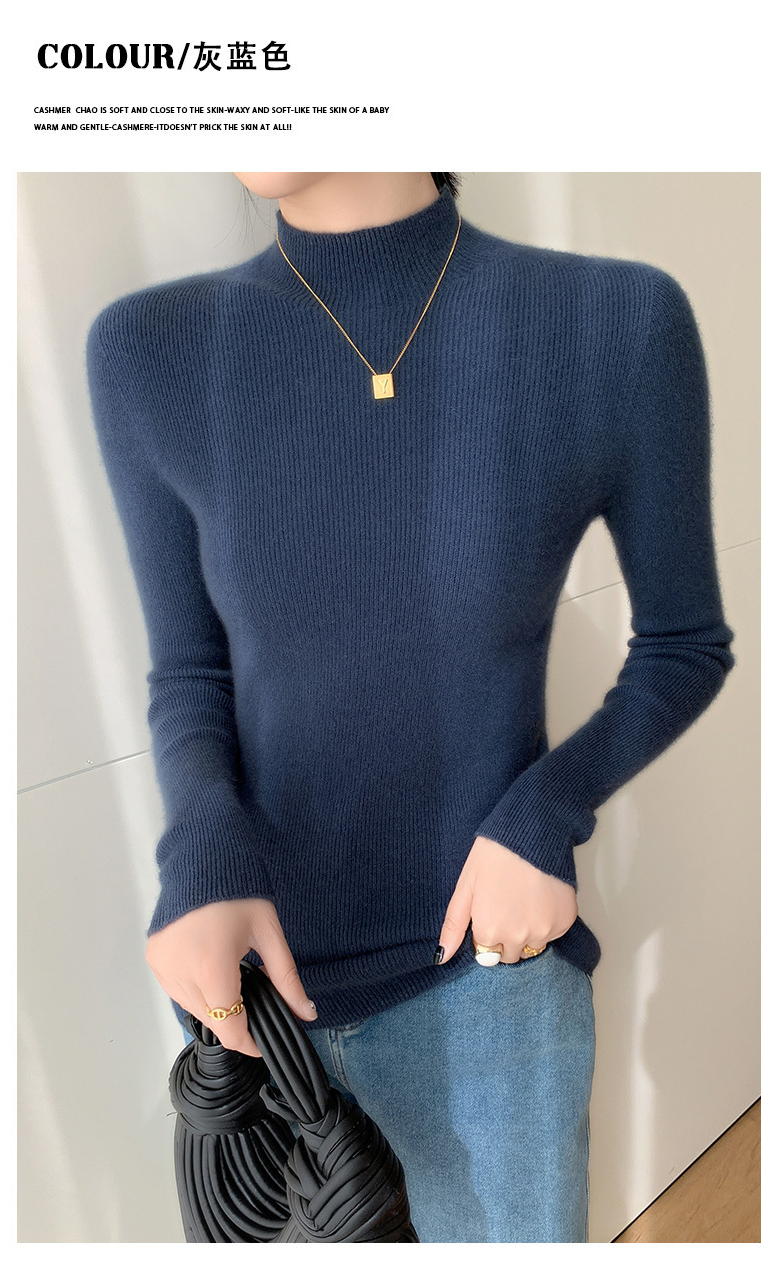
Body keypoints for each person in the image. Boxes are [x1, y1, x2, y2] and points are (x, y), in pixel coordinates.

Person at [85, 172, 735, 1243]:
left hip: (490, 991)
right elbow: (189, 672)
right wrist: (199, 846)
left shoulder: (612, 322)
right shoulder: (153, 349)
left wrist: (544, 812)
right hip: (253, 1011)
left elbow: (682, 644)